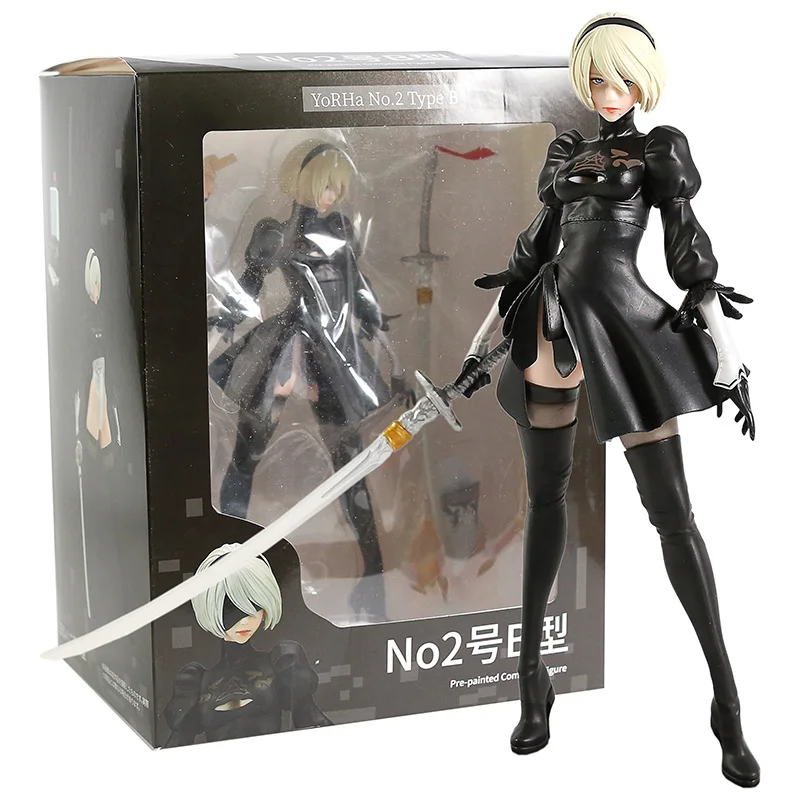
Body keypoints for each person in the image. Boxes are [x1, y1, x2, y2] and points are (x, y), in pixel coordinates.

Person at [461, 13, 759, 788]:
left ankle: (727, 705)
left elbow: (689, 253)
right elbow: (530, 253)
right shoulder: (567, 151)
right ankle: (531, 683)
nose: (608, 90)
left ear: (643, 80)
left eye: (621, 76)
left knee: (673, 515)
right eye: (596, 77)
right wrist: (477, 348)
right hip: (551, 319)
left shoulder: (659, 151)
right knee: (545, 500)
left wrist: (728, 356)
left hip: (624, 322)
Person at [209, 140, 410, 621]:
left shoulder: (341, 230)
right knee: (247, 455)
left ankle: (374, 572)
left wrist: (388, 351)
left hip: (332, 355)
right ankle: (222, 563)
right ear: (300, 182)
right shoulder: (275, 231)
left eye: (338, 187)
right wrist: (220, 329)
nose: (331, 195)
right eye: (324, 185)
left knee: (350, 461)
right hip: (288, 349)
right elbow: (248, 286)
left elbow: (358, 290)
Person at [163, 543, 332, 746]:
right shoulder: (195, 682)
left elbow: (312, 721)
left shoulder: (282, 662)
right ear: (212, 607)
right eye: (231, 610)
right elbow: (178, 743)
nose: (244, 621)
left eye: (254, 608)